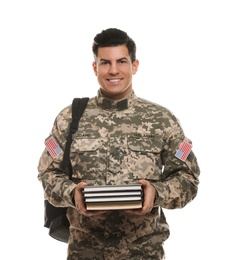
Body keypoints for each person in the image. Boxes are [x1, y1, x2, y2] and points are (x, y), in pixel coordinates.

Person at [38, 28, 200, 259]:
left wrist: (157, 192)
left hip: (144, 252)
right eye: (105, 62)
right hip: (85, 252)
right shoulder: (69, 119)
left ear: (134, 65)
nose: (113, 70)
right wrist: (72, 193)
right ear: (95, 67)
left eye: (121, 61)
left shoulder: (163, 120)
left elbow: (188, 178)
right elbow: (47, 174)